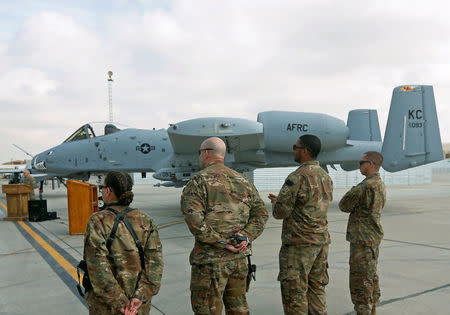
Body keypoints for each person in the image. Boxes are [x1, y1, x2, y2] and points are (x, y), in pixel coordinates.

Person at [181, 137, 268, 315]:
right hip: (239, 262)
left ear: (205, 153)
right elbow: (261, 214)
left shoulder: (199, 181)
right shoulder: (242, 180)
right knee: (239, 310)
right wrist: (245, 236)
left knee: (207, 310)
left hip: (210, 263)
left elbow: (195, 221)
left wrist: (223, 242)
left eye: (199, 153)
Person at [268, 135, 333, 315]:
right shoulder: (325, 177)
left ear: (305, 150)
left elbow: (281, 212)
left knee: (295, 297)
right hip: (320, 243)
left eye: (295, 146)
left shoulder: (297, 177)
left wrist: (277, 204)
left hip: (299, 246)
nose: (293, 150)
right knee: (317, 290)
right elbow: (311, 204)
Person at [83, 171, 163, 315]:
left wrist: (120, 302)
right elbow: (155, 264)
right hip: (137, 307)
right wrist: (140, 297)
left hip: (107, 307)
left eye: (102, 187)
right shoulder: (145, 219)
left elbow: (97, 267)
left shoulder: (98, 221)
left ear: (108, 191)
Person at [338, 151, 386, 315]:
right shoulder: (379, 184)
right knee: (370, 278)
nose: (359, 165)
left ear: (371, 164)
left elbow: (344, 205)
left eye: (361, 162)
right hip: (371, 239)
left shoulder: (365, 186)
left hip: (362, 241)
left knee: (360, 284)